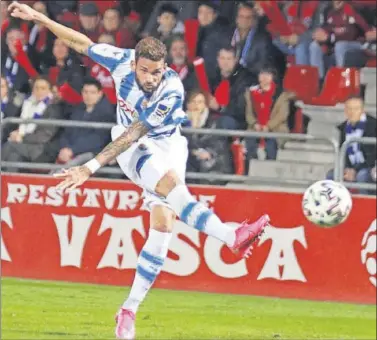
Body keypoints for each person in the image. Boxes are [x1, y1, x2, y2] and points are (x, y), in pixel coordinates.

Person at [8, 2, 270, 340]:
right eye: (145, 71)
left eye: (156, 72)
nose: (150, 78)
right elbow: (79, 43)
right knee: (170, 184)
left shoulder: (171, 90)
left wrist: (88, 167)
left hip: (167, 144)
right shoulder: (119, 60)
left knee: (164, 223)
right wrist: (41, 19)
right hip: (129, 145)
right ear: (134, 62)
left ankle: (129, 310)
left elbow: (140, 129)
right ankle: (230, 236)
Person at [326, 95, 376, 195]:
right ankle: (337, 204)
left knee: (362, 176)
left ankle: (366, 205)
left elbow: (373, 155)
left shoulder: (373, 125)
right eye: (349, 108)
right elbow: (342, 152)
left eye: (356, 109)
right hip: (352, 167)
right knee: (332, 175)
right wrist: (347, 169)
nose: (352, 112)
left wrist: (355, 170)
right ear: (345, 110)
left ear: (362, 110)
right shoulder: (344, 127)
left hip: (369, 167)